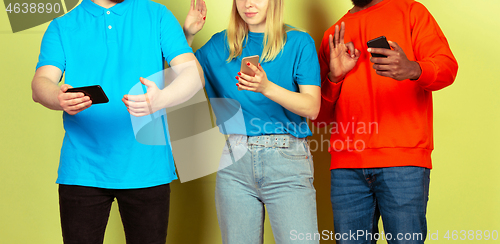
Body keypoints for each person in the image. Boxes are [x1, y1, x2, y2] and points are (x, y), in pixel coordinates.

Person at [30, 0, 203, 243]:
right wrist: (58, 97)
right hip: (82, 170)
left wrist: (162, 98)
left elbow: (193, 74)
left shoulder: (158, 15)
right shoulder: (62, 26)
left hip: (147, 167)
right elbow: (41, 83)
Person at [313, 0, 458, 243]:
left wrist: (412, 68)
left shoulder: (411, 12)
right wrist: (334, 77)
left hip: (403, 161)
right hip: (346, 168)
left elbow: (447, 68)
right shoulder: (334, 34)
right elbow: (319, 117)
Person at [184, 0, 321, 243]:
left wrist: (266, 87)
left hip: (286, 162)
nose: (248, 4)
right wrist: (187, 35)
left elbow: (312, 107)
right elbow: (184, 82)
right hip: (234, 163)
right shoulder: (219, 44)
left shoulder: (299, 42)